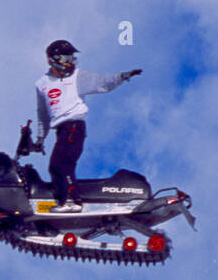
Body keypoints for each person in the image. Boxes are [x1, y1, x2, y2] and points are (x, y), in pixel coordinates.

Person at [31, 39, 141, 212]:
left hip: (74, 125)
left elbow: (103, 82)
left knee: (59, 164)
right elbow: (43, 114)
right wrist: (40, 138)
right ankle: (70, 200)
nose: (71, 62)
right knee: (60, 165)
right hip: (60, 130)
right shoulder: (42, 84)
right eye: (66, 59)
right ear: (52, 59)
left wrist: (122, 76)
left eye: (72, 58)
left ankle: (70, 201)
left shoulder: (77, 77)